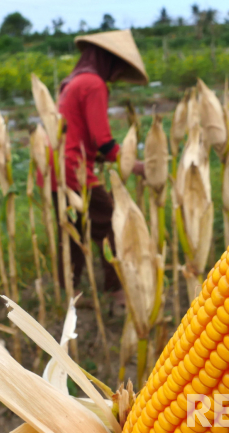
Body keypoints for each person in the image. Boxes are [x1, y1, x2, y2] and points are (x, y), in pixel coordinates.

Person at [51, 30, 148, 302]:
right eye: (119, 66)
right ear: (109, 60)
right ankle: (116, 290)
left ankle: (67, 291)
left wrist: (107, 156)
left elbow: (79, 133)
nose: (118, 75)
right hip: (74, 170)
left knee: (73, 230)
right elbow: (101, 139)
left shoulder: (72, 82)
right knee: (113, 222)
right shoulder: (93, 84)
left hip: (54, 169)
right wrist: (134, 165)